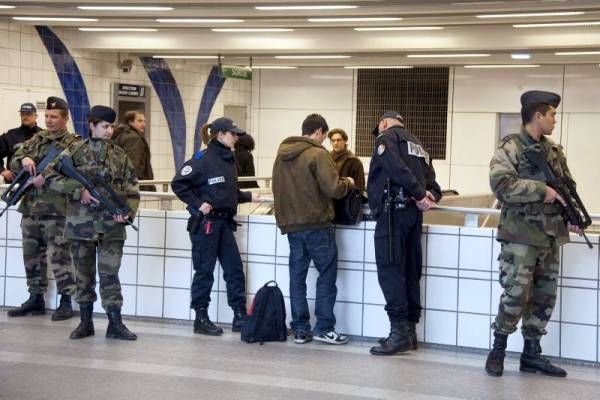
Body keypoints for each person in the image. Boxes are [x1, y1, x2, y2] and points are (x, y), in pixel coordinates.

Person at [485, 90, 580, 378]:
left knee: (544, 298)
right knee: (515, 295)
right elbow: (500, 185)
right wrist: (541, 190)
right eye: (552, 114)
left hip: (550, 236)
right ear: (537, 115)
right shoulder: (511, 147)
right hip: (520, 237)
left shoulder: (554, 151)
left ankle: (531, 354)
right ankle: (498, 348)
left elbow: (567, 187)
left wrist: (571, 214)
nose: (554, 120)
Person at [49, 105, 140, 340]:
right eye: (104, 126)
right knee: (83, 276)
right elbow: (50, 176)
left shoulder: (120, 155)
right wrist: (78, 190)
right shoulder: (73, 151)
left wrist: (127, 213)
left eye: (111, 126)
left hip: (112, 226)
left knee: (110, 275)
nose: (109, 131)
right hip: (81, 225)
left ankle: (115, 323)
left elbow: (132, 189)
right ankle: (85, 322)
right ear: (91, 126)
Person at [171, 117, 259, 336]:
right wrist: (198, 204)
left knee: (234, 269)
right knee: (204, 272)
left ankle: (239, 315)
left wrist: (249, 196)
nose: (237, 138)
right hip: (206, 226)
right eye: (233, 134)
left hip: (224, 223)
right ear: (220, 134)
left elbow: (226, 192)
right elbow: (178, 184)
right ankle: (201, 317)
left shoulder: (229, 158)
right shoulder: (202, 159)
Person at [272, 113, 354, 345]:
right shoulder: (318, 153)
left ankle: (300, 329)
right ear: (318, 131)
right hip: (317, 224)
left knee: (296, 278)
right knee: (326, 276)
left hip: (292, 226)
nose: (325, 141)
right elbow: (333, 189)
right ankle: (324, 328)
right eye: (325, 136)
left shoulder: (281, 155)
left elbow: (277, 189)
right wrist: (348, 183)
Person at [367, 111, 442, 356]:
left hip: (392, 215)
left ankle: (398, 333)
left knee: (391, 271)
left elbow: (395, 168)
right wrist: (426, 195)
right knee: (410, 271)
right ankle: (409, 333)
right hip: (413, 216)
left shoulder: (386, 138)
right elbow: (436, 187)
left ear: (384, 123)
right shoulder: (418, 145)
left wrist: (420, 194)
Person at [7, 96, 77, 320]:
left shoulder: (74, 144)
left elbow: (75, 175)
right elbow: (14, 161)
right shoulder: (37, 139)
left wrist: (45, 179)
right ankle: (35, 298)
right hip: (31, 208)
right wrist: (25, 159)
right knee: (31, 256)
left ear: (65, 119)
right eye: (47, 116)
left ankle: (66, 301)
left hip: (58, 211)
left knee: (60, 257)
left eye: (54, 117)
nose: (49, 120)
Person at [112, 110, 155, 191]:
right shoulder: (133, 138)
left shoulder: (121, 134)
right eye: (139, 121)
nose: (143, 124)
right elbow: (133, 164)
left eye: (144, 121)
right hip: (135, 186)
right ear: (130, 122)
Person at [0, 103, 42, 183]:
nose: (25, 117)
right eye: (23, 114)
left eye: (28, 114)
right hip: (15, 184)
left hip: (38, 184)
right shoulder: (11, 135)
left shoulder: (43, 135)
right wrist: (2, 170)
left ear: (36, 116)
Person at [328, 128, 365, 193]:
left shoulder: (354, 161)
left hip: (346, 200)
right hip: (329, 199)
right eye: (333, 140)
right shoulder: (327, 157)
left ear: (345, 141)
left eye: (338, 140)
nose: (335, 143)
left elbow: (359, 186)